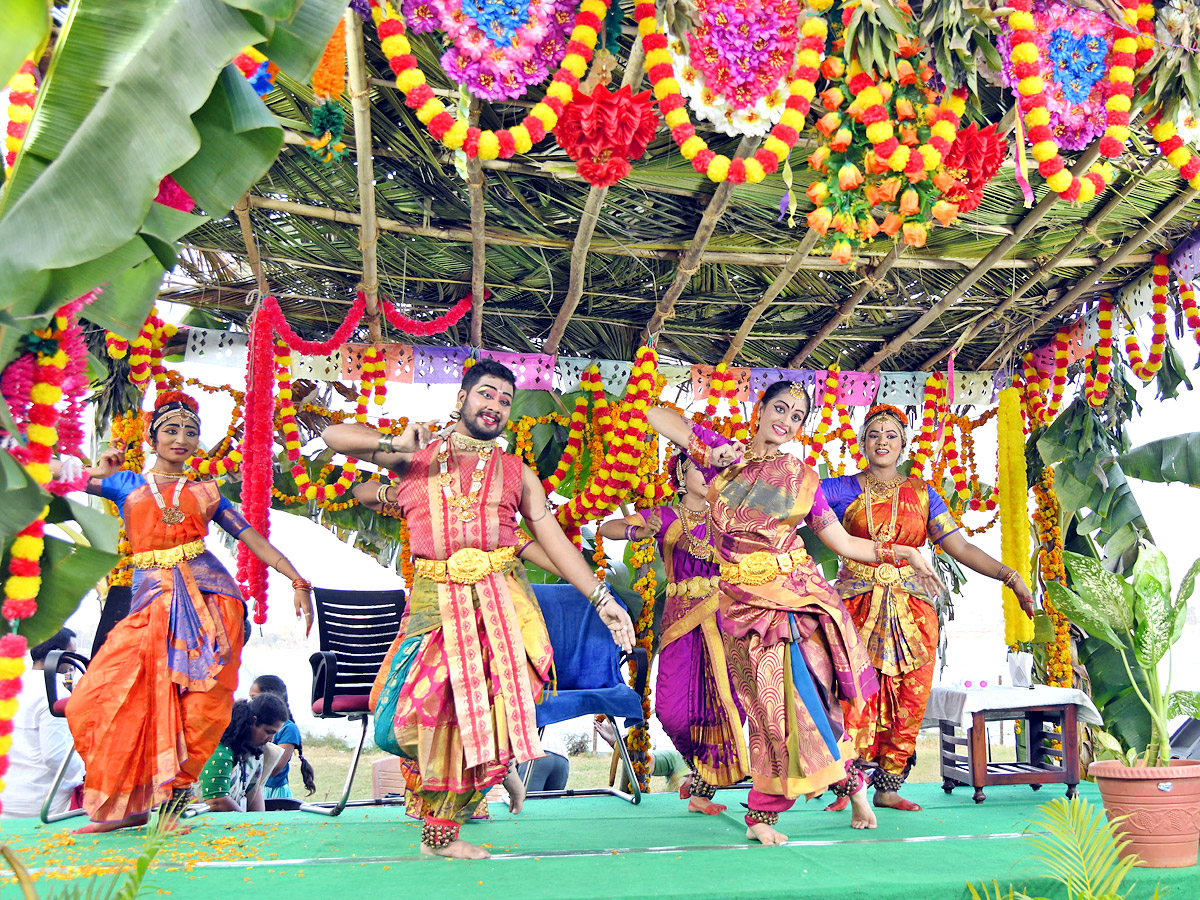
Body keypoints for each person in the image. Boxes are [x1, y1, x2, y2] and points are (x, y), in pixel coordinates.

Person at [322, 359, 635, 860]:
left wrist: (601, 599)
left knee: (489, 703)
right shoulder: (417, 457)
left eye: (505, 401)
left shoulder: (518, 472)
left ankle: (441, 833)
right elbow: (335, 436)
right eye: (486, 394)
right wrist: (397, 446)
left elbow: (551, 543)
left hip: (498, 599)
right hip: (433, 602)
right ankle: (497, 769)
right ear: (463, 397)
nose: (495, 407)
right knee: (403, 718)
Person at [646, 380, 942, 845]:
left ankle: (765, 815)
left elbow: (842, 542)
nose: (786, 420)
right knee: (776, 706)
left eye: (797, 416)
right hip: (739, 603)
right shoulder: (725, 457)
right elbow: (656, 417)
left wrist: (903, 552)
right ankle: (852, 783)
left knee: (788, 702)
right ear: (760, 409)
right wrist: (716, 452)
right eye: (779, 408)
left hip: (792, 600)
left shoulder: (802, 478)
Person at [58, 391, 315, 833]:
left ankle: (171, 808)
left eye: (191, 432)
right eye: (171, 430)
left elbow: (254, 540)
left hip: (210, 603)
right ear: (152, 437)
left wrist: (298, 581)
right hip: (149, 602)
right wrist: (90, 472)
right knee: (93, 700)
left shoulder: (206, 493)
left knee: (198, 708)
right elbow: (48, 481)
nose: (182, 439)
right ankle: (128, 806)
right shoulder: (126, 484)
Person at [820, 403, 1035, 812]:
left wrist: (1010, 576)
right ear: (862, 442)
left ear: (903, 444)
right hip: (856, 608)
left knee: (909, 696)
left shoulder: (923, 493)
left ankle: (887, 787)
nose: (882, 441)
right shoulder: (841, 488)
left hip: (914, 613)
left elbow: (961, 547)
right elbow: (797, 506)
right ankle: (851, 788)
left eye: (891, 435)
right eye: (874, 434)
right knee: (853, 695)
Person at [597, 449, 746, 814]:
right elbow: (606, 528)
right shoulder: (665, 516)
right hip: (683, 620)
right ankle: (696, 767)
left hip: (726, 616)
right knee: (672, 708)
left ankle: (703, 786)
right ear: (681, 474)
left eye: (715, 469)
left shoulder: (729, 516)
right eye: (701, 468)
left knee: (728, 704)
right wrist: (638, 530)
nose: (710, 474)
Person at [0, 629, 85, 819]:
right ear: (57, 654)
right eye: (72, 654)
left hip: (6, 800)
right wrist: (84, 773)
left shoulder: (9, 685)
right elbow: (55, 756)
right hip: (41, 804)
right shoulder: (54, 692)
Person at [197, 694, 289, 813]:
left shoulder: (254, 752)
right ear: (253, 721)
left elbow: (254, 790)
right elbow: (216, 801)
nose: (271, 739)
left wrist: (260, 825)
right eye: (268, 732)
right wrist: (246, 822)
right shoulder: (220, 749)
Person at [248, 675, 316, 799]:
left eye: (254, 698)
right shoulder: (253, 724)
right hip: (251, 788)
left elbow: (274, 769)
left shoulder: (289, 729)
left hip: (273, 793)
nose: (250, 704)